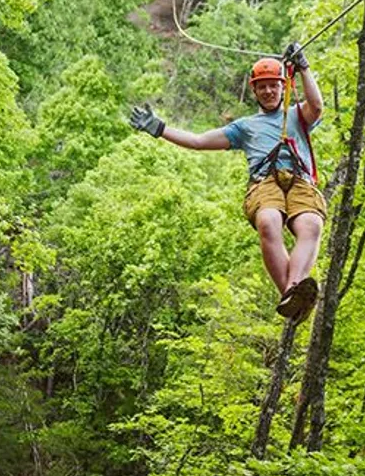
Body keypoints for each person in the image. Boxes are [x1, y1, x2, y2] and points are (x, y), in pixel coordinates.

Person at [129, 43, 326, 323]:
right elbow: (199, 142)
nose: (269, 91)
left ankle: (292, 291)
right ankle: (292, 293)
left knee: (312, 224)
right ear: (254, 91)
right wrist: (159, 129)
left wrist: (304, 68)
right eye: (263, 87)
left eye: (273, 85)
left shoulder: (296, 115)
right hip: (265, 182)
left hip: (300, 182)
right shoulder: (244, 127)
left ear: (283, 87)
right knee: (268, 220)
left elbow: (317, 106)